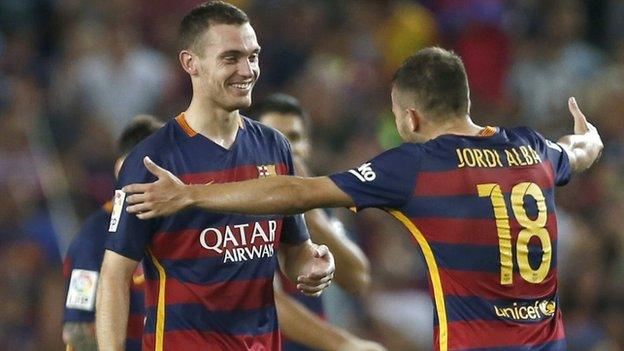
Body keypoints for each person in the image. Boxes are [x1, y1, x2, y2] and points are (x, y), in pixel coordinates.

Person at [122, 47, 604, 350]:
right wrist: (590, 137)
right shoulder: (532, 148)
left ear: (411, 118)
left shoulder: (416, 165)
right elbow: (580, 150)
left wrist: (189, 194)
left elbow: (296, 192)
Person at [96, 2, 335, 351]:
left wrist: (311, 265)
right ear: (190, 63)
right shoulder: (151, 161)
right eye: (231, 58)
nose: (247, 70)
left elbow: (292, 250)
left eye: (253, 56)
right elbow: (115, 275)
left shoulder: (273, 147)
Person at [253, 94, 385, 351]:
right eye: (274, 137)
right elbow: (265, 300)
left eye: (293, 138)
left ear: (308, 146)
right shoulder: (241, 211)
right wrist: (345, 344)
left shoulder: (321, 205)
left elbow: (357, 278)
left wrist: (311, 214)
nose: (286, 148)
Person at [62, 115, 163, 351]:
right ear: (121, 168)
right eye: (148, 165)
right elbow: (78, 329)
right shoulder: (95, 236)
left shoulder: (174, 228)